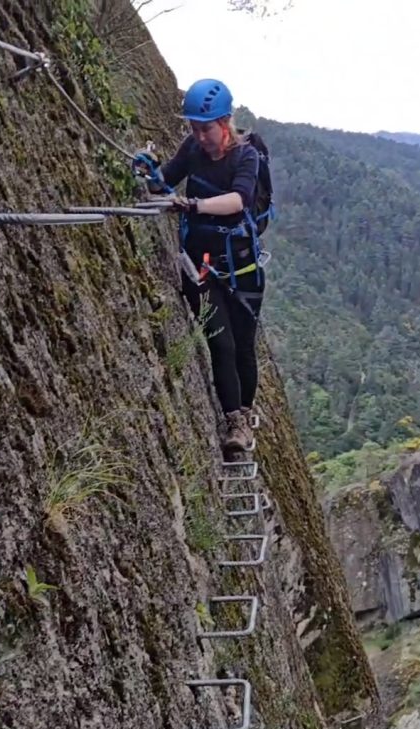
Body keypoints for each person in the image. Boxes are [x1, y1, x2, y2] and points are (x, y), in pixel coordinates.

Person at [135, 79, 264, 454]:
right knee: (220, 344)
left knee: (243, 347)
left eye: (205, 128)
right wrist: (150, 174)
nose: (199, 135)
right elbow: (165, 183)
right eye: (194, 128)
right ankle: (235, 424)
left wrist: (193, 205)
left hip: (241, 267)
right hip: (200, 267)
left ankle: (245, 410)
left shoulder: (246, 157)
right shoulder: (192, 149)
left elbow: (239, 200)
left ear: (225, 122)